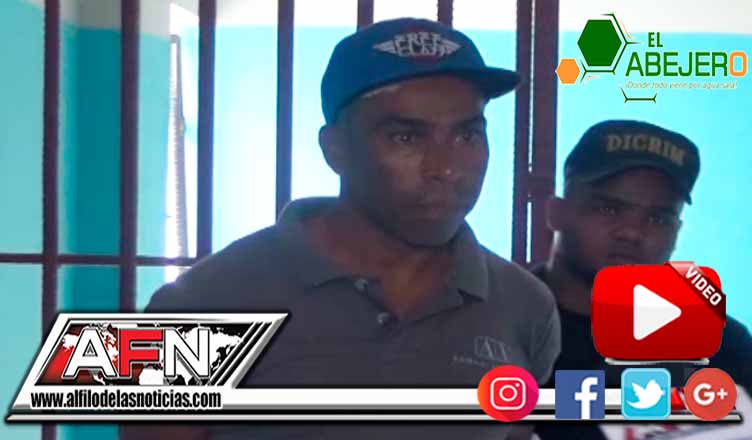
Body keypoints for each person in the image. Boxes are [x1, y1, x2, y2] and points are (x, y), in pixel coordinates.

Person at [122, 18, 560, 440]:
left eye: (467, 136)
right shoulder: (196, 305)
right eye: (406, 137)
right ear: (334, 149)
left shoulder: (525, 307)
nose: (445, 168)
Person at [534, 120, 752, 440]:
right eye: (608, 209)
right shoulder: (494, 326)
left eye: (657, 218)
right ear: (556, 213)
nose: (632, 232)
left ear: (676, 232)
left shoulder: (722, 347)